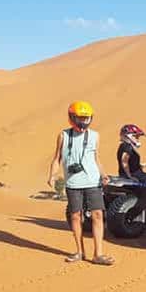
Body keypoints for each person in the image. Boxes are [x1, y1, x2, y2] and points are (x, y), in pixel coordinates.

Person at [47, 101, 115, 266]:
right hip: (73, 183)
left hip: (92, 181)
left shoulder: (95, 136)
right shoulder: (63, 135)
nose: (83, 122)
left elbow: (96, 158)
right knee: (76, 216)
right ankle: (79, 251)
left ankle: (98, 254)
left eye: (86, 118)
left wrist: (103, 174)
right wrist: (52, 175)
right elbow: (57, 158)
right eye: (80, 118)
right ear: (72, 117)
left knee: (98, 215)